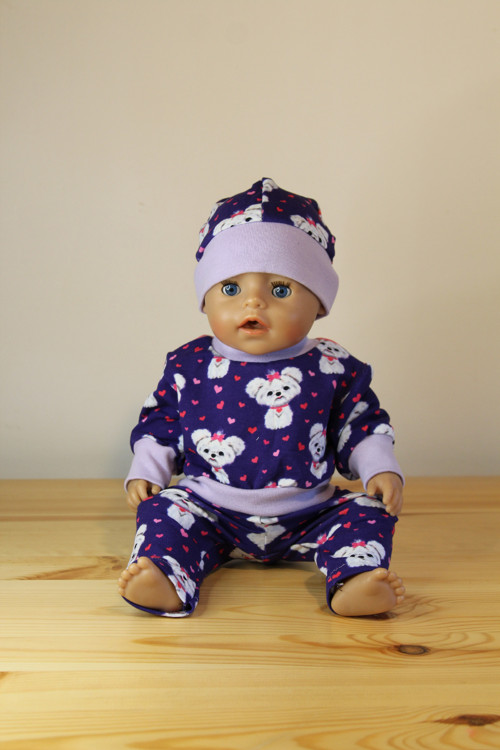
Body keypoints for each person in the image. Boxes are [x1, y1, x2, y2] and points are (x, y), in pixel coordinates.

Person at [118, 177, 405, 618]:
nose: (253, 303)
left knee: (368, 513)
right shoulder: (189, 364)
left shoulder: (333, 366)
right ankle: (166, 574)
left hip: (310, 512)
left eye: (280, 289)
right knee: (163, 510)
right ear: (205, 300)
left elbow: (361, 424)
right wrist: (148, 468)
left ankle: (355, 578)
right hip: (209, 509)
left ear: (319, 304)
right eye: (231, 288)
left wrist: (379, 466)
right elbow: (162, 423)